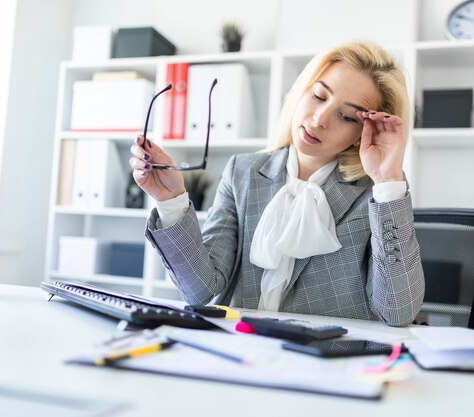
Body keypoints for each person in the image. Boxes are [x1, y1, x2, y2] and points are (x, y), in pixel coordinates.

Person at [129, 40, 424, 327]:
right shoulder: (242, 172)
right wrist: (171, 201)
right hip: (240, 350)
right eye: (319, 96)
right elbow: (200, 290)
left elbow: (397, 312)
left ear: (364, 131)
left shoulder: (377, 191)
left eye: (346, 116)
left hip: (327, 363)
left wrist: (387, 183)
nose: (319, 119)